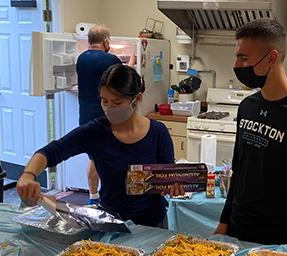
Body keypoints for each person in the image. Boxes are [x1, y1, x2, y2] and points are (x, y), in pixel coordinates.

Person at [213, 19, 287, 255]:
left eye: (244, 58)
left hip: (282, 240)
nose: (237, 65)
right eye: (237, 57)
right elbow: (238, 168)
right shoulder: (247, 107)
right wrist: (225, 220)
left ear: (271, 58)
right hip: (238, 230)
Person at [17, 64, 174, 228]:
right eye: (104, 101)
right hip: (111, 222)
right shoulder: (95, 132)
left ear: (137, 99)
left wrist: (173, 188)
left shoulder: (158, 132)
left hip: (153, 224)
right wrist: (28, 174)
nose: (109, 108)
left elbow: (168, 175)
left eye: (117, 102)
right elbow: (51, 151)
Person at [76, 24, 135, 205]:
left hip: (85, 115)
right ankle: (106, 200)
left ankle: (93, 197)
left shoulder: (81, 58)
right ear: (105, 41)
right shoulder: (108, 59)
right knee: (106, 158)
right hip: (106, 115)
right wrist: (132, 60)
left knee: (94, 157)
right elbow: (126, 74)